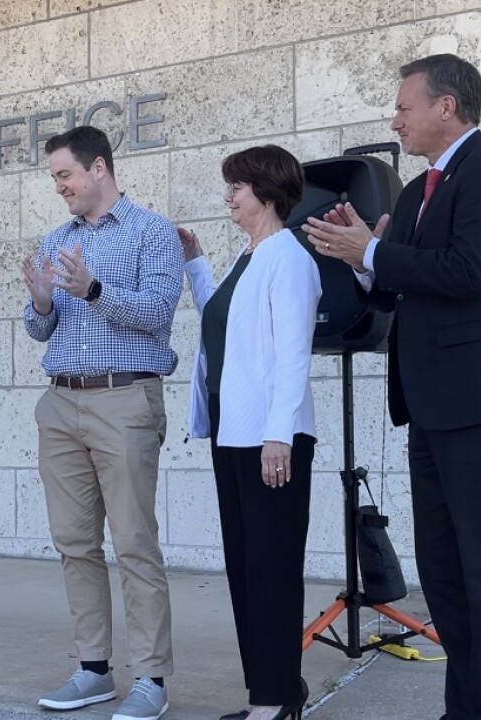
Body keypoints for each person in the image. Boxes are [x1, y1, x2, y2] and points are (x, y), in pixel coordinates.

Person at [303, 54, 481, 720]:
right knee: (445, 576)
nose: (395, 120)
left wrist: (376, 252)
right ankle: (464, 710)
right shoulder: (416, 193)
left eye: (404, 107)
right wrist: (362, 261)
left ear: (447, 107)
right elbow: (397, 281)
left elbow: (468, 270)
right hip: (430, 406)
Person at [19, 125, 183, 720]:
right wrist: (41, 302)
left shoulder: (152, 233)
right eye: (54, 177)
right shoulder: (54, 239)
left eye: (65, 174)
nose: (58, 186)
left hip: (124, 400)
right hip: (60, 402)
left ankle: (151, 680)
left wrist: (92, 290)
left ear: (99, 168)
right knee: (74, 543)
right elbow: (39, 329)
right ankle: (93, 669)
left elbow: (157, 313)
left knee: (135, 543)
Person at [178, 145, 319, 720]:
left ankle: (276, 698)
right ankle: (272, 689)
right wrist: (196, 264)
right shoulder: (249, 256)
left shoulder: (289, 258)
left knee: (272, 566)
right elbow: (223, 323)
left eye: (237, 186)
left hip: (272, 438)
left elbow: (292, 357)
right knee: (245, 565)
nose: (228, 196)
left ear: (266, 190)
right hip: (234, 433)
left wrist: (278, 436)